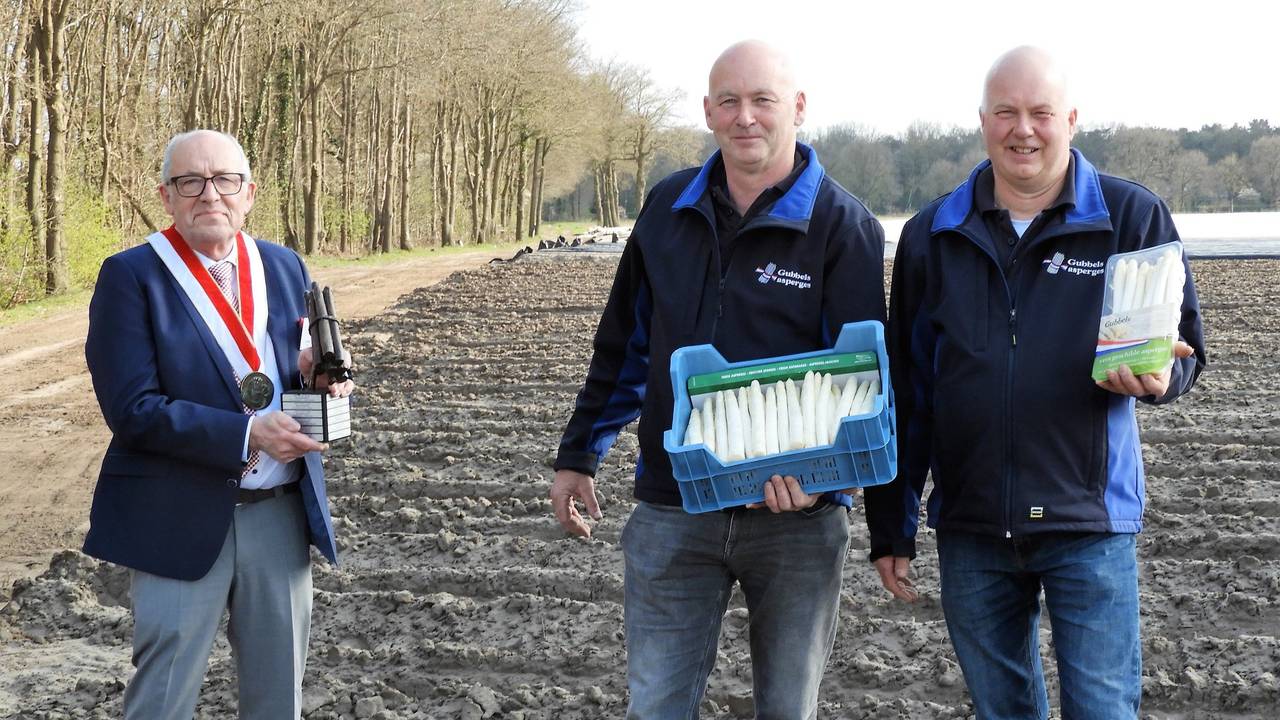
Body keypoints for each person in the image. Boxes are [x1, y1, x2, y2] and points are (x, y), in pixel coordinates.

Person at [863, 46, 1206, 719]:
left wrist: (1166, 376)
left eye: (1041, 113)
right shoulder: (933, 233)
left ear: (1071, 119)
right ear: (982, 121)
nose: (1024, 129)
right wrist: (891, 526)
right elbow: (907, 391)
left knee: (1103, 709)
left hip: (1089, 522)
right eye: (1006, 113)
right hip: (971, 527)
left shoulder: (1131, 216)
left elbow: (1188, 348)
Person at [550, 40, 886, 718]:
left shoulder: (844, 226)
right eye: (729, 101)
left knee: (787, 709)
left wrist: (822, 485)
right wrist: (581, 452)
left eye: (762, 100)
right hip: (674, 505)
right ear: (707, 111)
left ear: (797, 107)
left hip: (796, 524)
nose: (746, 118)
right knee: (656, 705)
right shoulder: (669, 207)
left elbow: (860, 382)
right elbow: (624, 342)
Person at [83, 129, 354, 719]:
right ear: (167, 195)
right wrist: (246, 434)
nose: (210, 194)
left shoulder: (283, 266)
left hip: (278, 515)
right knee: (164, 697)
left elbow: (285, 368)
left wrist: (316, 380)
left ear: (248, 192)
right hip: (176, 516)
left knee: (278, 696)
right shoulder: (130, 276)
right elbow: (132, 411)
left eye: (225, 180)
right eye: (191, 181)